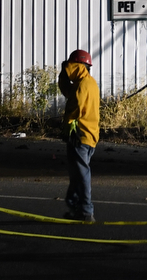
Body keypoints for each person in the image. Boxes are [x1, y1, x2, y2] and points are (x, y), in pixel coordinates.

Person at [58, 48, 100, 223]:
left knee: (82, 175)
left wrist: (66, 129)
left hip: (79, 136)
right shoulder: (89, 83)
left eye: (70, 65)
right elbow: (69, 92)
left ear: (78, 65)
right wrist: (62, 77)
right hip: (90, 136)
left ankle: (85, 210)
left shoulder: (82, 85)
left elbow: (74, 108)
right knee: (77, 174)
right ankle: (76, 207)